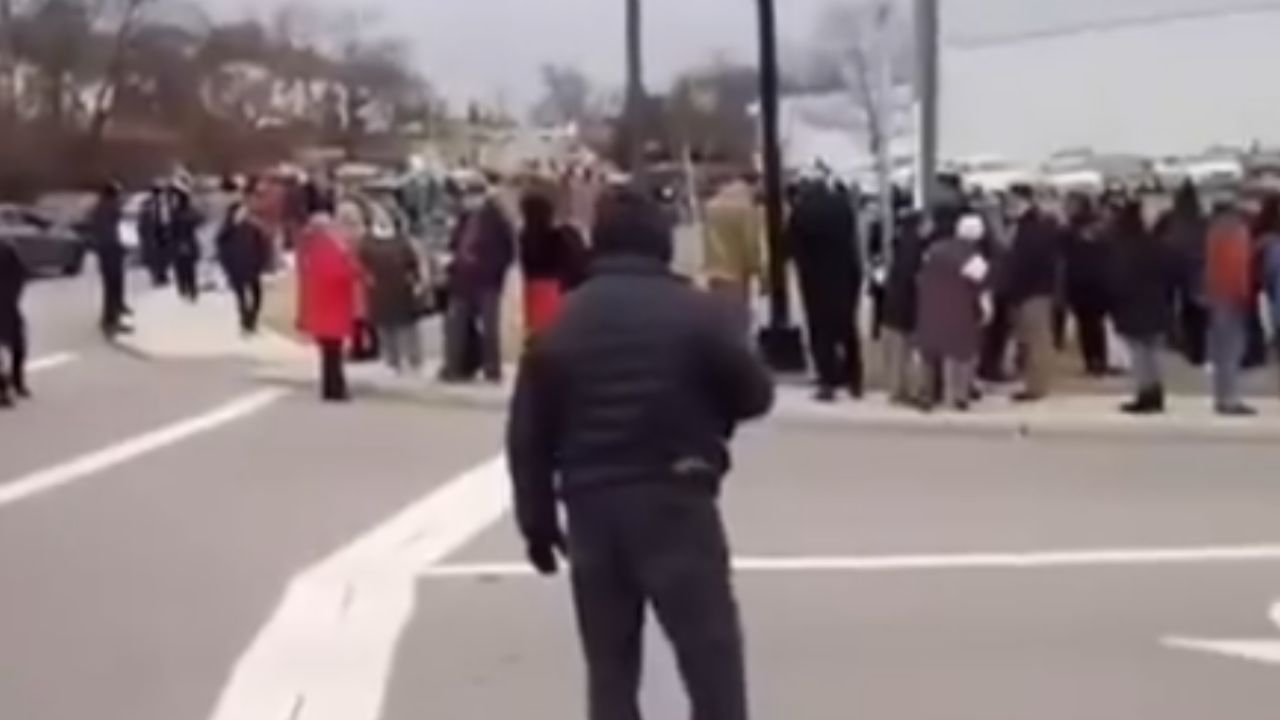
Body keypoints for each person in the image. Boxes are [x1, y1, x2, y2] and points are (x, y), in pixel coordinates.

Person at [507, 186, 774, 720]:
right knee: (710, 659)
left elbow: (528, 437)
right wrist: (710, 415)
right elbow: (754, 395)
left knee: (610, 669)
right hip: (677, 495)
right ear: (663, 242)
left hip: (592, 507)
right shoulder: (699, 315)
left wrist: (537, 524)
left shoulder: (560, 324)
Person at [789, 178, 864, 401]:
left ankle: (827, 381)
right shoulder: (842, 207)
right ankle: (855, 378)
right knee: (847, 326)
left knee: (821, 331)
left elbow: (792, 245)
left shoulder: (802, 213)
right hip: (846, 273)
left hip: (816, 279)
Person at [442, 178, 515, 383]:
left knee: (489, 326)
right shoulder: (463, 217)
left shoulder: (497, 218)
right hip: (462, 279)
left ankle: (492, 369)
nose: (469, 200)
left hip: (487, 281)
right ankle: (454, 367)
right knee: (456, 324)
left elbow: (508, 250)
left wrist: (494, 270)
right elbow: (454, 243)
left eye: (473, 195)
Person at [915, 214, 989, 411]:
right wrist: (986, 310)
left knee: (929, 354)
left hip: (930, 307)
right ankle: (959, 396)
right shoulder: (973, 257)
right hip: (959, 309)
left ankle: (926, 394)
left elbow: (922, 273)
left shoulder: (933, 249)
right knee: (962, 354)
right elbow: (981, 286)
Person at [1109, 199, 1175, 414]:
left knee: (1139, 352)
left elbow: (1117, 277)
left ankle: (1145, 393)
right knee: (1154, 350)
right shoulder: (1156, 245)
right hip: (1156, 302)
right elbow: (1169, 272)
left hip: (1132, 304)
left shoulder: (1122, 247)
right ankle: (1156, 392)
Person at [296, 186, 360, 403]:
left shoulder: (313, 248)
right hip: (333, 307)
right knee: (333, 353)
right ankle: (335, 389)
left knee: (329, 353)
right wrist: (354, 271)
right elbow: (340, 273)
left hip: (324, 307)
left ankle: (331, 388)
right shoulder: (329, 247)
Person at [1003, 184, 1060, 402]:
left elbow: (1027, 262)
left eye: (1012, 200)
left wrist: (1016, 289)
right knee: (1029, 340)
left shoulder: (1032, 228)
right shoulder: (1029, 225)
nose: (1008, 205)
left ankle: (1037, 386)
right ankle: (1033, 383)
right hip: (1031, 290)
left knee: (1036, 341)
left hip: (1032, 291)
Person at [1204, 202, 1257, 415]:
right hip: (1233, 296)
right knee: (1232, 350)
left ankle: (1221, 396)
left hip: (1217, 294)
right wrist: (1244, 295)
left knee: (1221, 351)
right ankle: (1230, 399)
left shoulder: (1213, 234)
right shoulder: (1237, 235)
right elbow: (1238, 268)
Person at [518, 191, 588, 339]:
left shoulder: (521, 239)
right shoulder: (560, 237)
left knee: (535, 336)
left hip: (530, 293)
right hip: (555, 291)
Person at [359, 223, 426, 375]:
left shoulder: (402, 241)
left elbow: (413, 265)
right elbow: (361, 265)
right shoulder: (368, 242)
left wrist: (416, 282)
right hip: (381, 290)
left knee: (406, 327)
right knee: (386, 327)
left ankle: (412, 359)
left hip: (400, 289)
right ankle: (393, 360)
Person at [702, 173, 765, 332]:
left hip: (715, 269)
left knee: (719, 319)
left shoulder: (712, 205)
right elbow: (750, 241)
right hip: (736, 271)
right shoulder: (745, 207)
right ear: (753, 184)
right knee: (737, 323)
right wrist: (758, 269)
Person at [1159, 181, 1209, 366]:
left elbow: (1156, 237)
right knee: (1195, 309)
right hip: (1196, 267)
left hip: (1169, 264)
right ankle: (1197, 346)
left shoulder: (1168, 218)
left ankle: (1173, 337)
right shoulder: (1203, 220)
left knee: (1169, 303)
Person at [1061, 194, 1112, 376]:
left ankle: (1093, 360)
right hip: (1094, 282)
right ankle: (1097, 360)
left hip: (1082, 282)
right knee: (1092, 324)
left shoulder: (1071, 230)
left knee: (1087, 324)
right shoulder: (1098, 228)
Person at [880, 211, 928, 404]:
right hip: (905, 305)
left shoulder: (901, 243)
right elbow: (912, 277)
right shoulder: (914, 247)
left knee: (897, 350)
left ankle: (897, 389)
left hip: (894, 304)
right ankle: (900, 390)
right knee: (903, 350)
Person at [216, 187, 272, 335]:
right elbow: (221, 249)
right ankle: (245, 320)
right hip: (236, 268)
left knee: (256, 296)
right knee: (241, 297)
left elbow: (263, 246)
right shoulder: (227, 230)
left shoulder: (253, 228)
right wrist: (226, 265)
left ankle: (251, 318)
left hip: (253, 266)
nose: (242, 214)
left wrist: (263, 262)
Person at [90, 182, 131, 337]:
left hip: (104, 251)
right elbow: (117, 230)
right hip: (112, 250)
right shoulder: (111, 208)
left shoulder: (99, 207)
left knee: (109, 286)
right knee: (114, 285)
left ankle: (109, 318)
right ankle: (111, 321)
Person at [0, 235, 29, 407]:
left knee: (17, 344)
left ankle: (15, 382)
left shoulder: (5, 249)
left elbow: (20, 273)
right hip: (8, 303)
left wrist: (12, 296)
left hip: (6, 304)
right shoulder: (6, 247)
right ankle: (7, 387)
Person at [169, 188, 203, 302]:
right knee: (190, 268)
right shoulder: (191, 212)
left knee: (180, 267)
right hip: (189, 241)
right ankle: (192, 290)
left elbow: (172, 229)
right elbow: (199, 220)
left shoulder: (175, 212)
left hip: (178, 242)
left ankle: (183, 288)